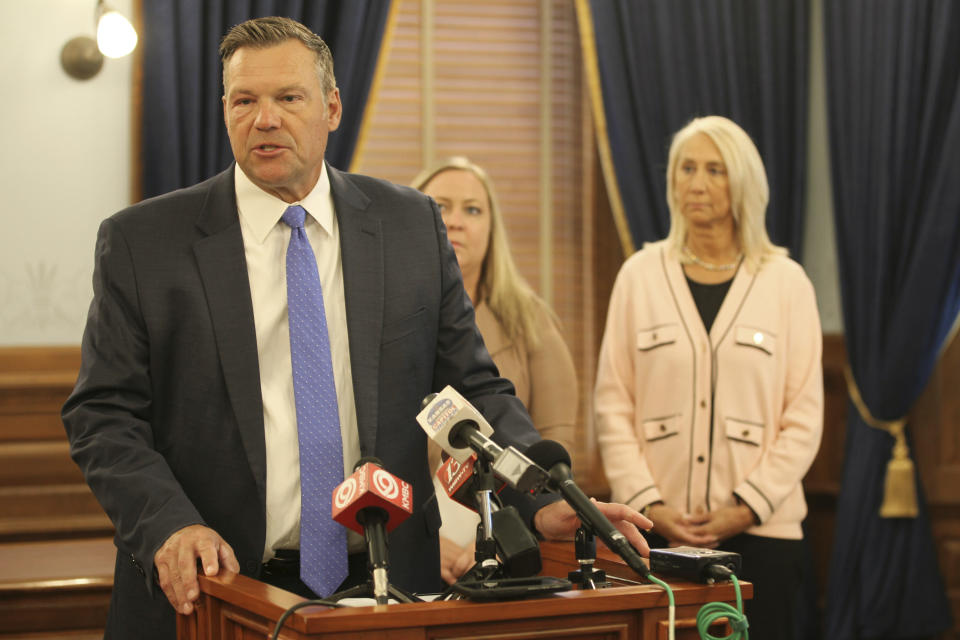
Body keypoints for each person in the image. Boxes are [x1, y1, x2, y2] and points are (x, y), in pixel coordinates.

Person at [61, 16, 650, 639]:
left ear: (332, 107)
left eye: (289, 98)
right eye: (244, 100)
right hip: (217, 590)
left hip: (386, 585)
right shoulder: (144, 241)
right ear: (225, 111)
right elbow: (102, 413)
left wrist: (541, 494)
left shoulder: (409, 226)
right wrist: (170, 525)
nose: (265, 119)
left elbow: (472, 389)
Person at [594, 115, 823, 638]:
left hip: (765, 536)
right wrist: (649, 503)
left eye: (715, 170)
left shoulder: (787, 283)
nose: (696, 183)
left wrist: (744, 508)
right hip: (657, 537)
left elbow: (805, 416)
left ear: (743, 182)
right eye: (686, 168)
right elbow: (613, 405)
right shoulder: (639, 275)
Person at [412, 157, 579, 583]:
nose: (456, 221)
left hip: (509, 540)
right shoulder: (386, 320)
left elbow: (552, 444)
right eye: (440, 206)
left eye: (472, 209)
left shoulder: (531, 321)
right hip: (409, 539)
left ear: (492, 228)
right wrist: (427, 541)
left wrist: (496, 538)